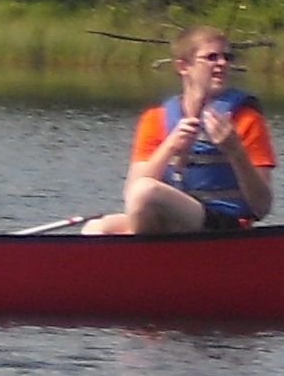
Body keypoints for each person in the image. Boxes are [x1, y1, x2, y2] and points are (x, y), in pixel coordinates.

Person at [85, 24, 273, 235]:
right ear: (183, 67)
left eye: (227, 57)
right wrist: (170, 145)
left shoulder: (246, 119)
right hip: (173, 219)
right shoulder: (155, 119)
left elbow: (262, 207)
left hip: (224, 225)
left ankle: (139, 260)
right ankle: (135, 261)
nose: (222, 63)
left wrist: (235, 150)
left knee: (145, 191)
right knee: (96, 229)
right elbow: (131, 194)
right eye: (211, 57)